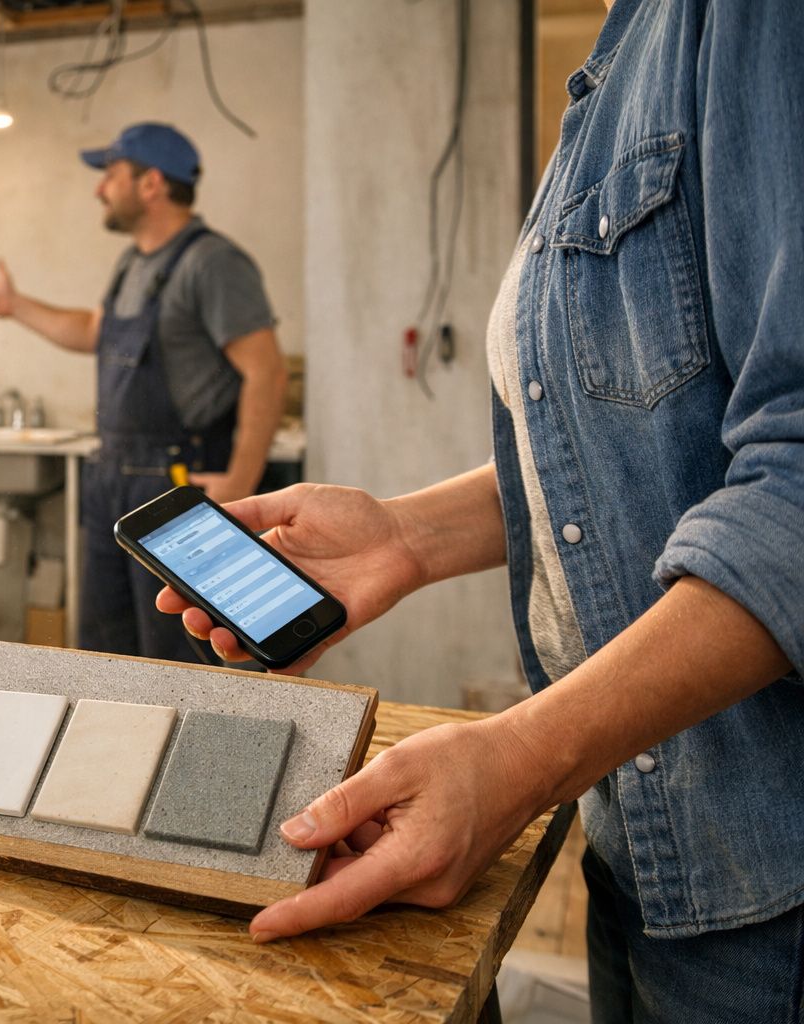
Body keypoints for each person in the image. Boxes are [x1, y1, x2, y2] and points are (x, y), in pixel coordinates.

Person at [158, 2, 804, 1017]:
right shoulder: (620, 52)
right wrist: (407, 535)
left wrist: (521, 757)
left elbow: (796, 485)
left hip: (767, 869)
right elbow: (641, 452)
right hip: (646, 831)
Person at [0, 123, 288, 663]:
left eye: (110, 175)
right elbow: (97, 331)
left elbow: (267, 373)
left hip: (176, 488)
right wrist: (15, 305)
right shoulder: (134, 262)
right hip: (113, 482)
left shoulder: (213, 263)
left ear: (151, 183)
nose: (99, 189)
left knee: (182, 662)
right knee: (108, 656)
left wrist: (239, 483)